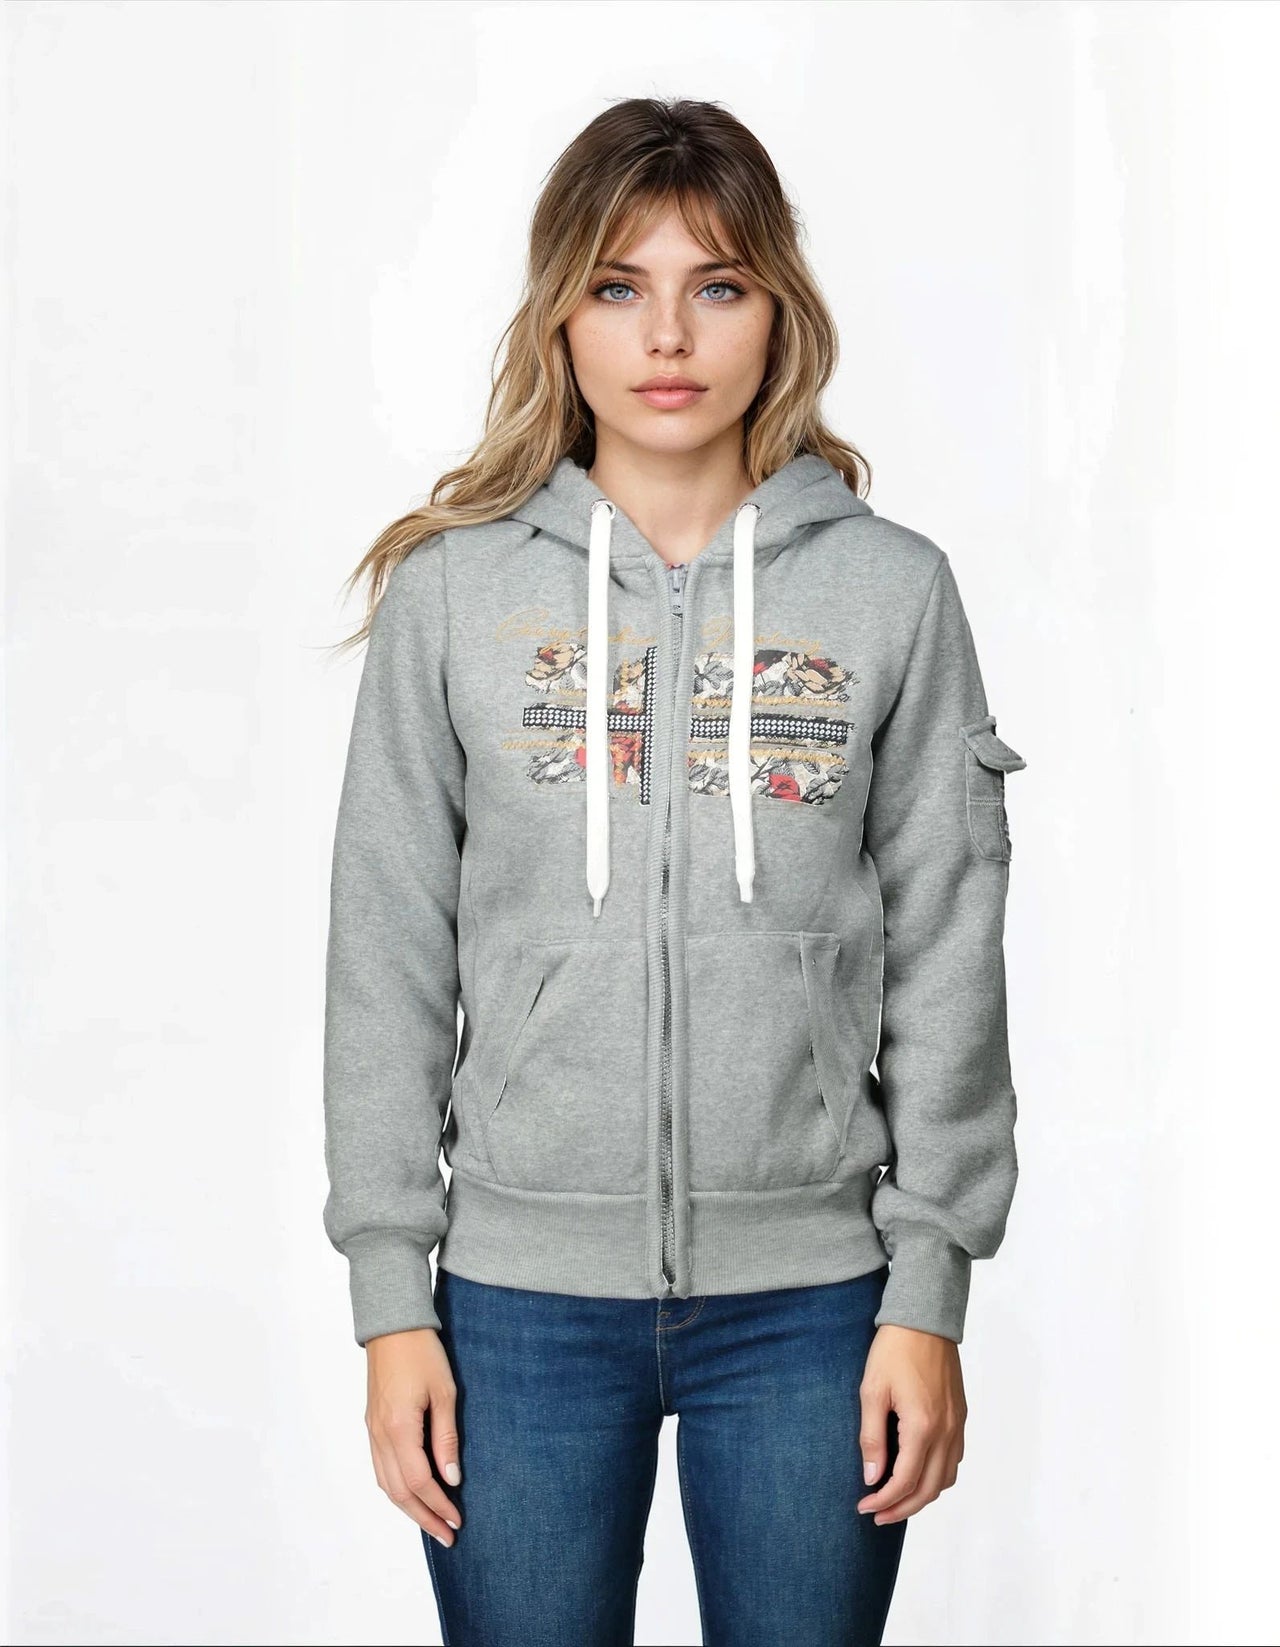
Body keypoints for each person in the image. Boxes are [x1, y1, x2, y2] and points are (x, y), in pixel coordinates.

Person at [321, 96, 1027, 1647]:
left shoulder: (892, 593)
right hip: (513, 1307)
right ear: (560, 317)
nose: (667, 336)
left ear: (779, 313)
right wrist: (391, 1298)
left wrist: (927, 1289)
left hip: (817, 1307)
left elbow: (948, 944)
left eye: (717, 286)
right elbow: (386, 952)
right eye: (617, 286)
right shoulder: (453, 597)